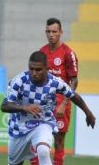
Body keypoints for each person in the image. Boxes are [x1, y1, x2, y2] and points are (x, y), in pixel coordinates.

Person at [0, 51, 95, 165]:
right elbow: (4, 105)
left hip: (43, 123)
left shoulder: (55, 82)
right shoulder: (19, 81)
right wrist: (25, 108)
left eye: (38, 69)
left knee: (43, 151)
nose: (34, 73)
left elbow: (74, 96)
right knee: (15, 163)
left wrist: (88, 113)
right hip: (19, 129)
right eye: (31, 69)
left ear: (47, 68)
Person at [30, 18, 78, 165]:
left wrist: (64, 103)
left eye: (54, 32)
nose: (51, 34)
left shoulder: (67, 53)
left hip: (60, 104)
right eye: (48, 31)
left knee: (58, 141)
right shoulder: (42, 52)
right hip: (43, 103)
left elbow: (74, 81)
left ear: (61, 33)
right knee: (36, 139)